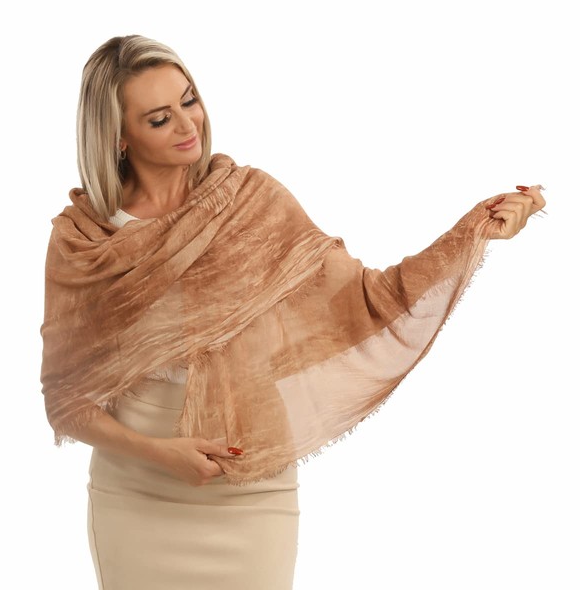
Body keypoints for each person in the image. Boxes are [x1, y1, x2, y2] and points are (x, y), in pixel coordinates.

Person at [40, 34, 546, 590]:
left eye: (190, 100)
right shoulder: (85, 239)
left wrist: (473, 231)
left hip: (250, 486)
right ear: (117, 137)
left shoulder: (250, 201)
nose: (189, 125)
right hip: (136, 493)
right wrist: (159, 454)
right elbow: (65, 402)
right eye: (160, 119)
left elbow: (371, 299)